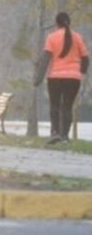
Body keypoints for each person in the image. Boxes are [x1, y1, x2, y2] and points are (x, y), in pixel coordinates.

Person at [35, 12, 89, 144]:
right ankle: (65, 135)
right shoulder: (77, 37)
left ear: (57, 23)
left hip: (55, 77)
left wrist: (38, 78)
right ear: (69, 22)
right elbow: (86, 58)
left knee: (55, 105)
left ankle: (55, 132)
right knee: (67, 106)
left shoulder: (52, 37)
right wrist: (81, 72)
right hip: (73, 78)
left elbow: (46, 59)